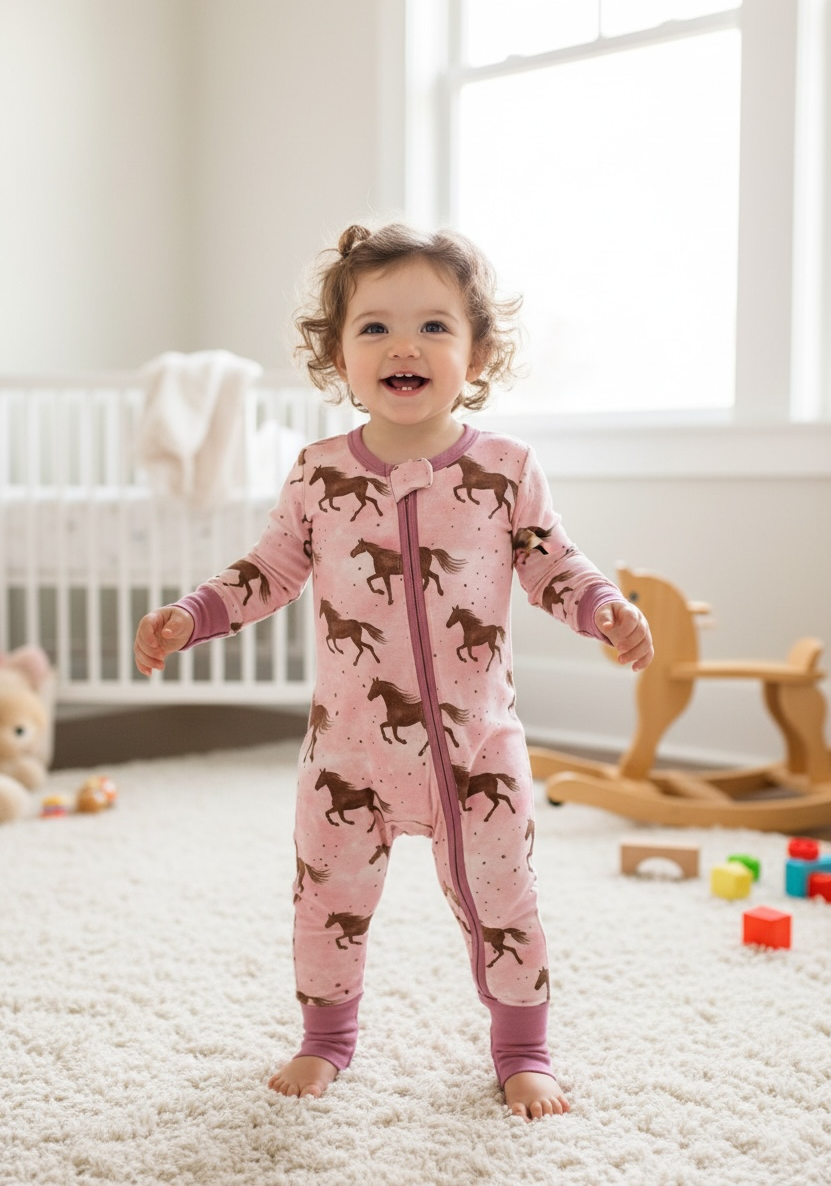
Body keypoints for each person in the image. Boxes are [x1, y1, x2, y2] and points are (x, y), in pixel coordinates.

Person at [134, 223, 653, 1121]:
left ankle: (523, 1048)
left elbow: (551, 563)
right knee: (324, 892)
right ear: (336, 354)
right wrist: (191, 615)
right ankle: (326, 1037)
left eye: (433, 328)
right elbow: (272, 568)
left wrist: (601, 607)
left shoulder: (505, 470)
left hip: (478, 749)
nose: (402, 346)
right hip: (349, 752)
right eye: (373, 328)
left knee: (506, 896)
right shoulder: (318, 473)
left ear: (476, 352)